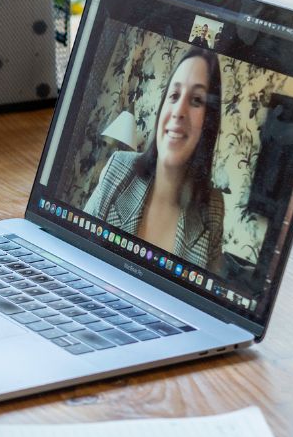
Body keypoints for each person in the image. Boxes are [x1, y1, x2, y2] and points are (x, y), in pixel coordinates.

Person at [84, 45, 226, 271]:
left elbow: (203, 298)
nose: (179, 111)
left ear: (208, 122)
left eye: (197, 100)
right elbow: (76, 249)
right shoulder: (118, 168)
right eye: (174, 95)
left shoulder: (213, 208)